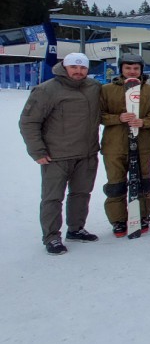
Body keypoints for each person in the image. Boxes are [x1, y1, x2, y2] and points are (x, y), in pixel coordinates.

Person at [19, 53, 102, 255]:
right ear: (64, 67)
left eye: (82, 68)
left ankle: (75, 229)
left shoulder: (93, 88)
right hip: (56, 155)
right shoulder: (47, 90)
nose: (78, 71)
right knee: (52, 198)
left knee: (81, 194)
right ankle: (51, 237)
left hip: (87, 153)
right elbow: (29, 122)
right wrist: (37, 151)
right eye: (74, 67)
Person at [100, 53, 150, 237]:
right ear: (121, 69)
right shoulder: (107, 90)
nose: (132, 71)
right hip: (114, 145)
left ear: (141, 70)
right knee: (116, 184)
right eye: (128, 68)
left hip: (142, 144)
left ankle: (142, 215)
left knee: (142, 181)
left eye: (136, 68)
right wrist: (117, 118)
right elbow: (98, 114)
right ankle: (118, 220)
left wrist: (145, 122)